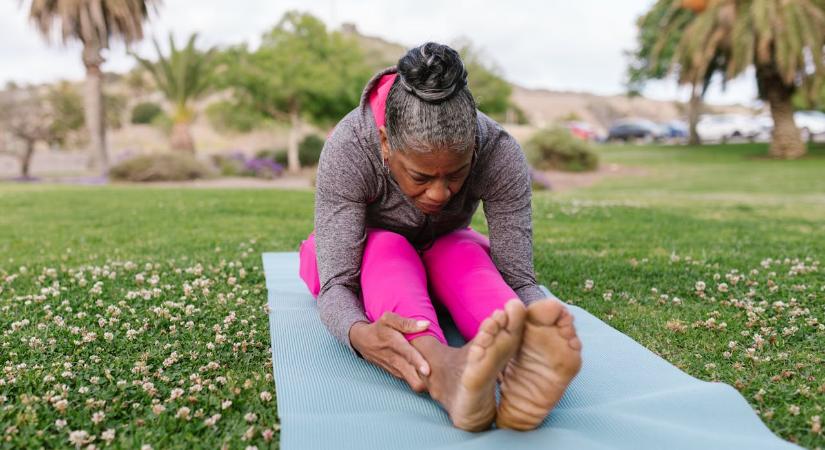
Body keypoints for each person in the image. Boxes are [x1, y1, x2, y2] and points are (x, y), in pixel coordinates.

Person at [299, 42, 582, 432]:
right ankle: (444, 372)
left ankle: (523, 355)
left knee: (465, 254)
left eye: (456, 174)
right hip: (371, 253)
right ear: (385, 144)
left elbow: (518, 277)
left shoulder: (498, 152)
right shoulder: (350, 147)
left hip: (444, 244)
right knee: (388, 248)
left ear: (474, 148)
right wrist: (358, 333)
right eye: (421, 176)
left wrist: (541, 318)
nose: (440, 193)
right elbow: (336, 284)